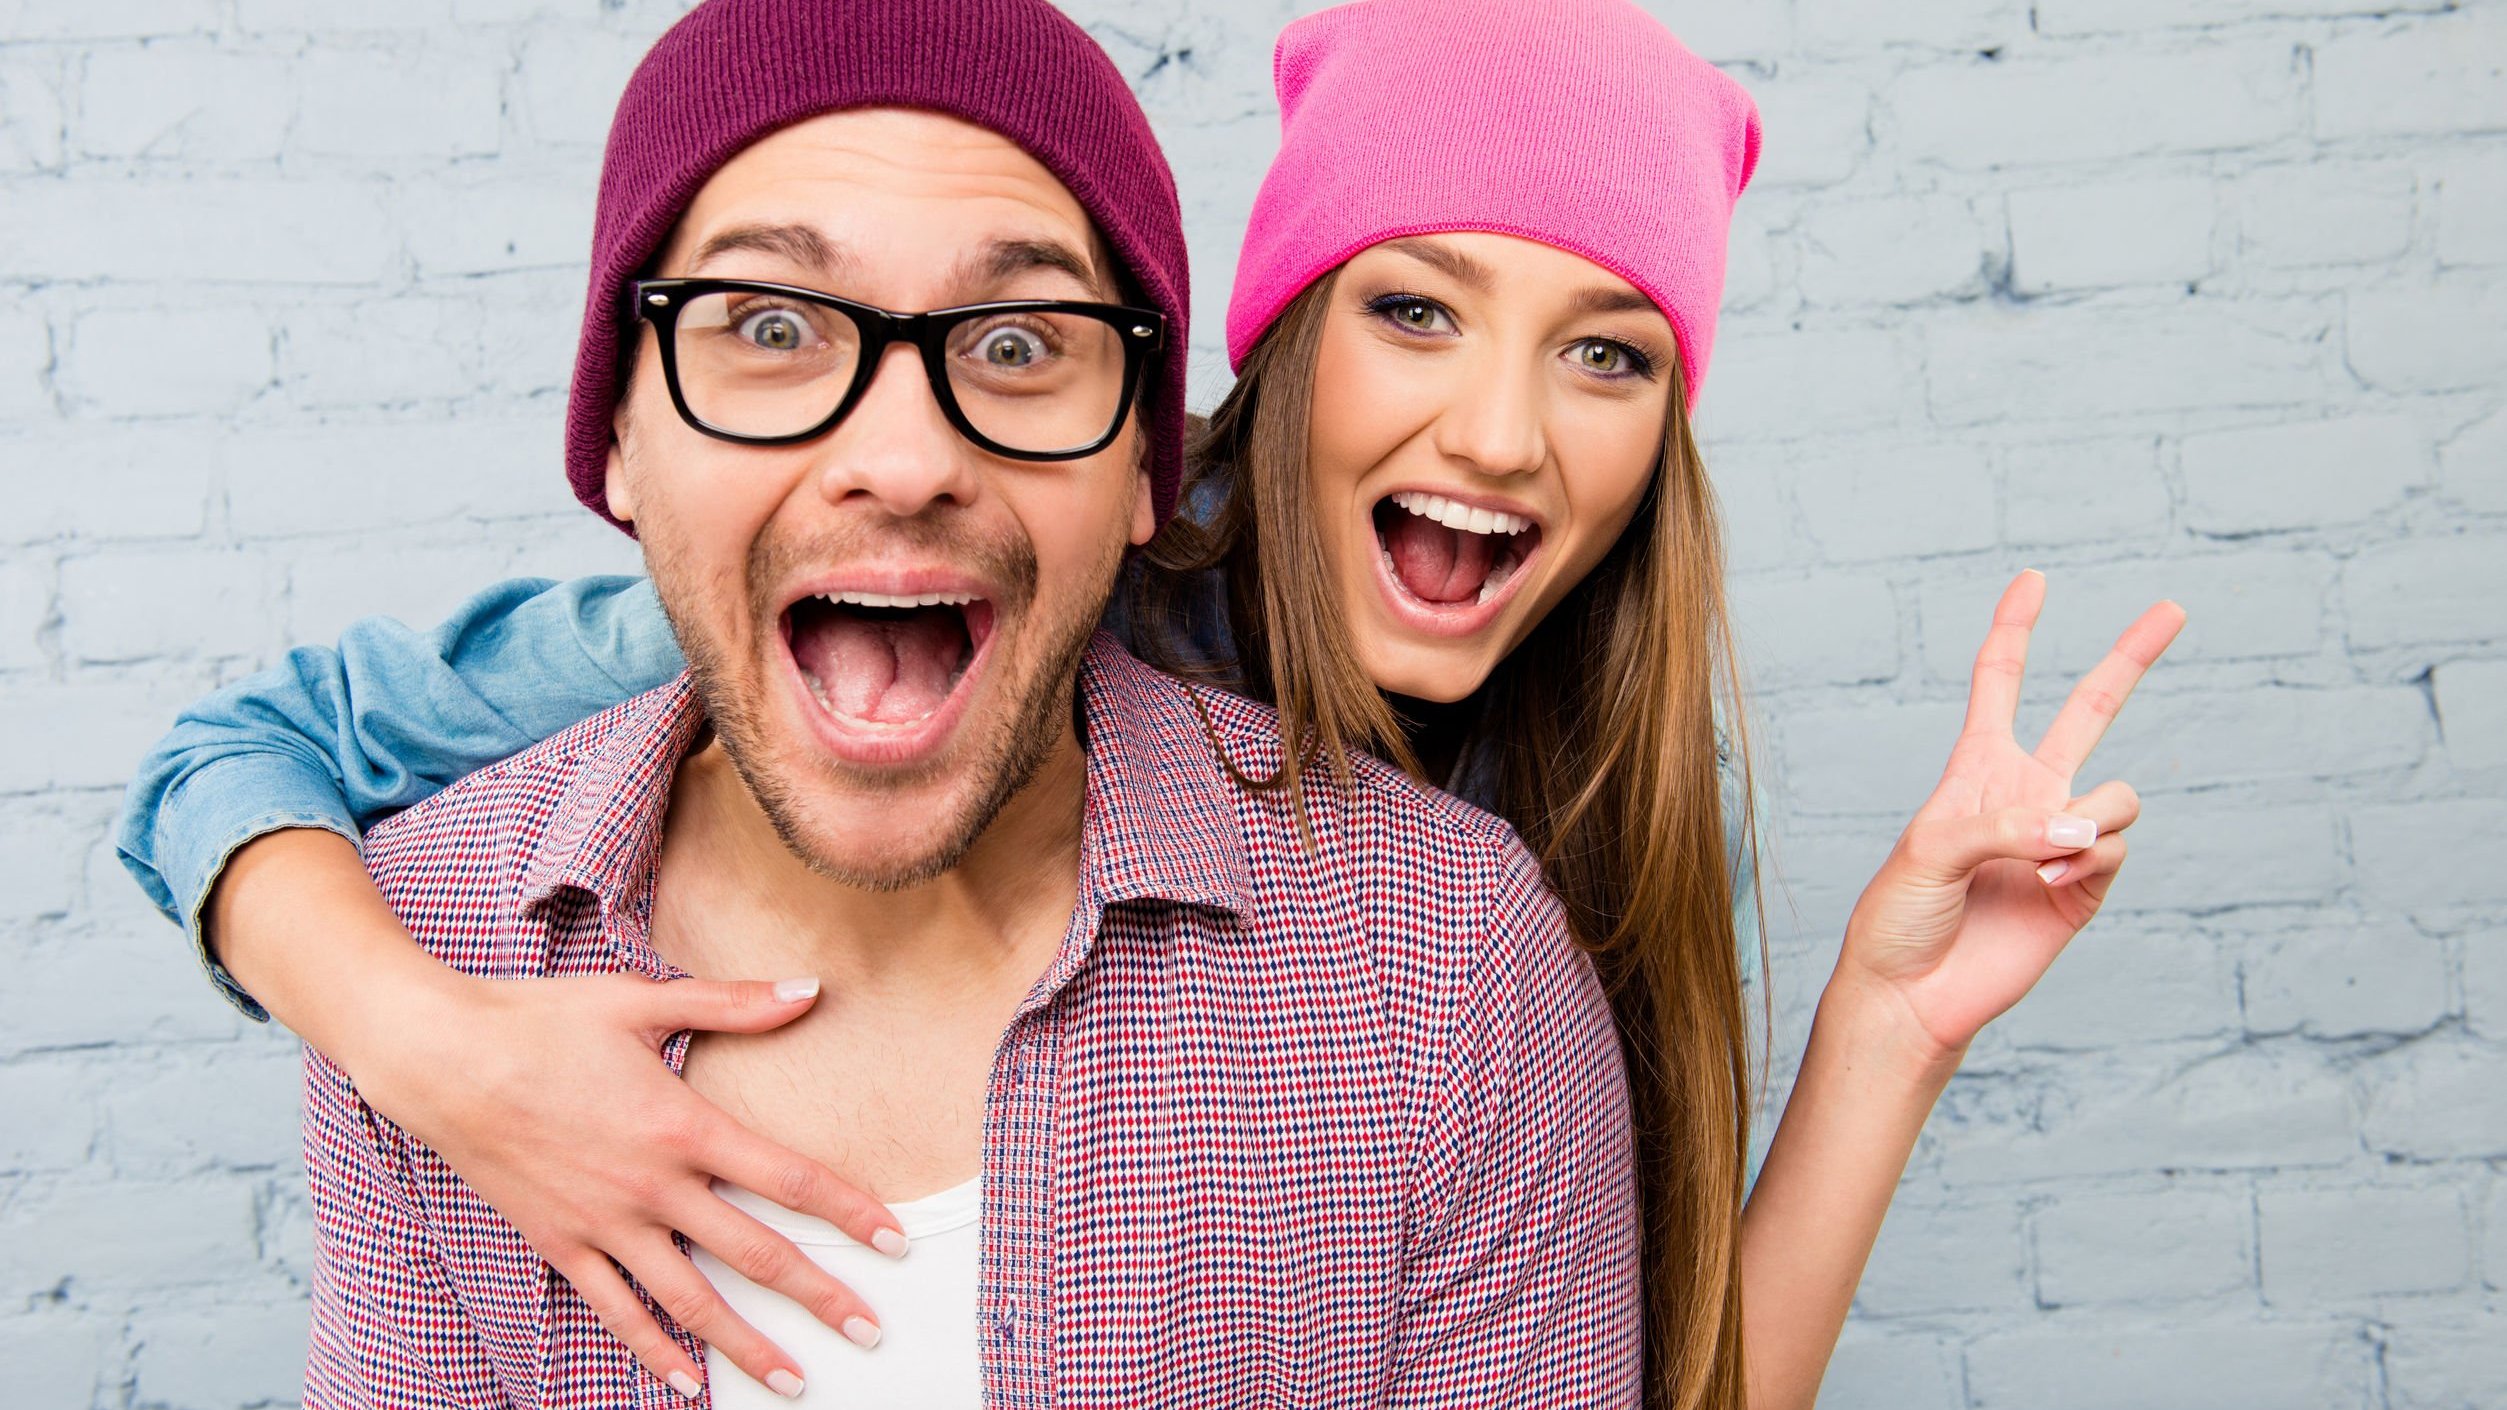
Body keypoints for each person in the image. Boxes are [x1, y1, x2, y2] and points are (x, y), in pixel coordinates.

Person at [118, 1, 2186, 1407]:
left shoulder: (1536, 853)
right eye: (1416, 306)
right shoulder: (843, 607)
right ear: (1255, 364)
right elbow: (234, 753)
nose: (1504, 428)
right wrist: (427, 1049)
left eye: (1610, 353)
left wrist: (1888, 1031)